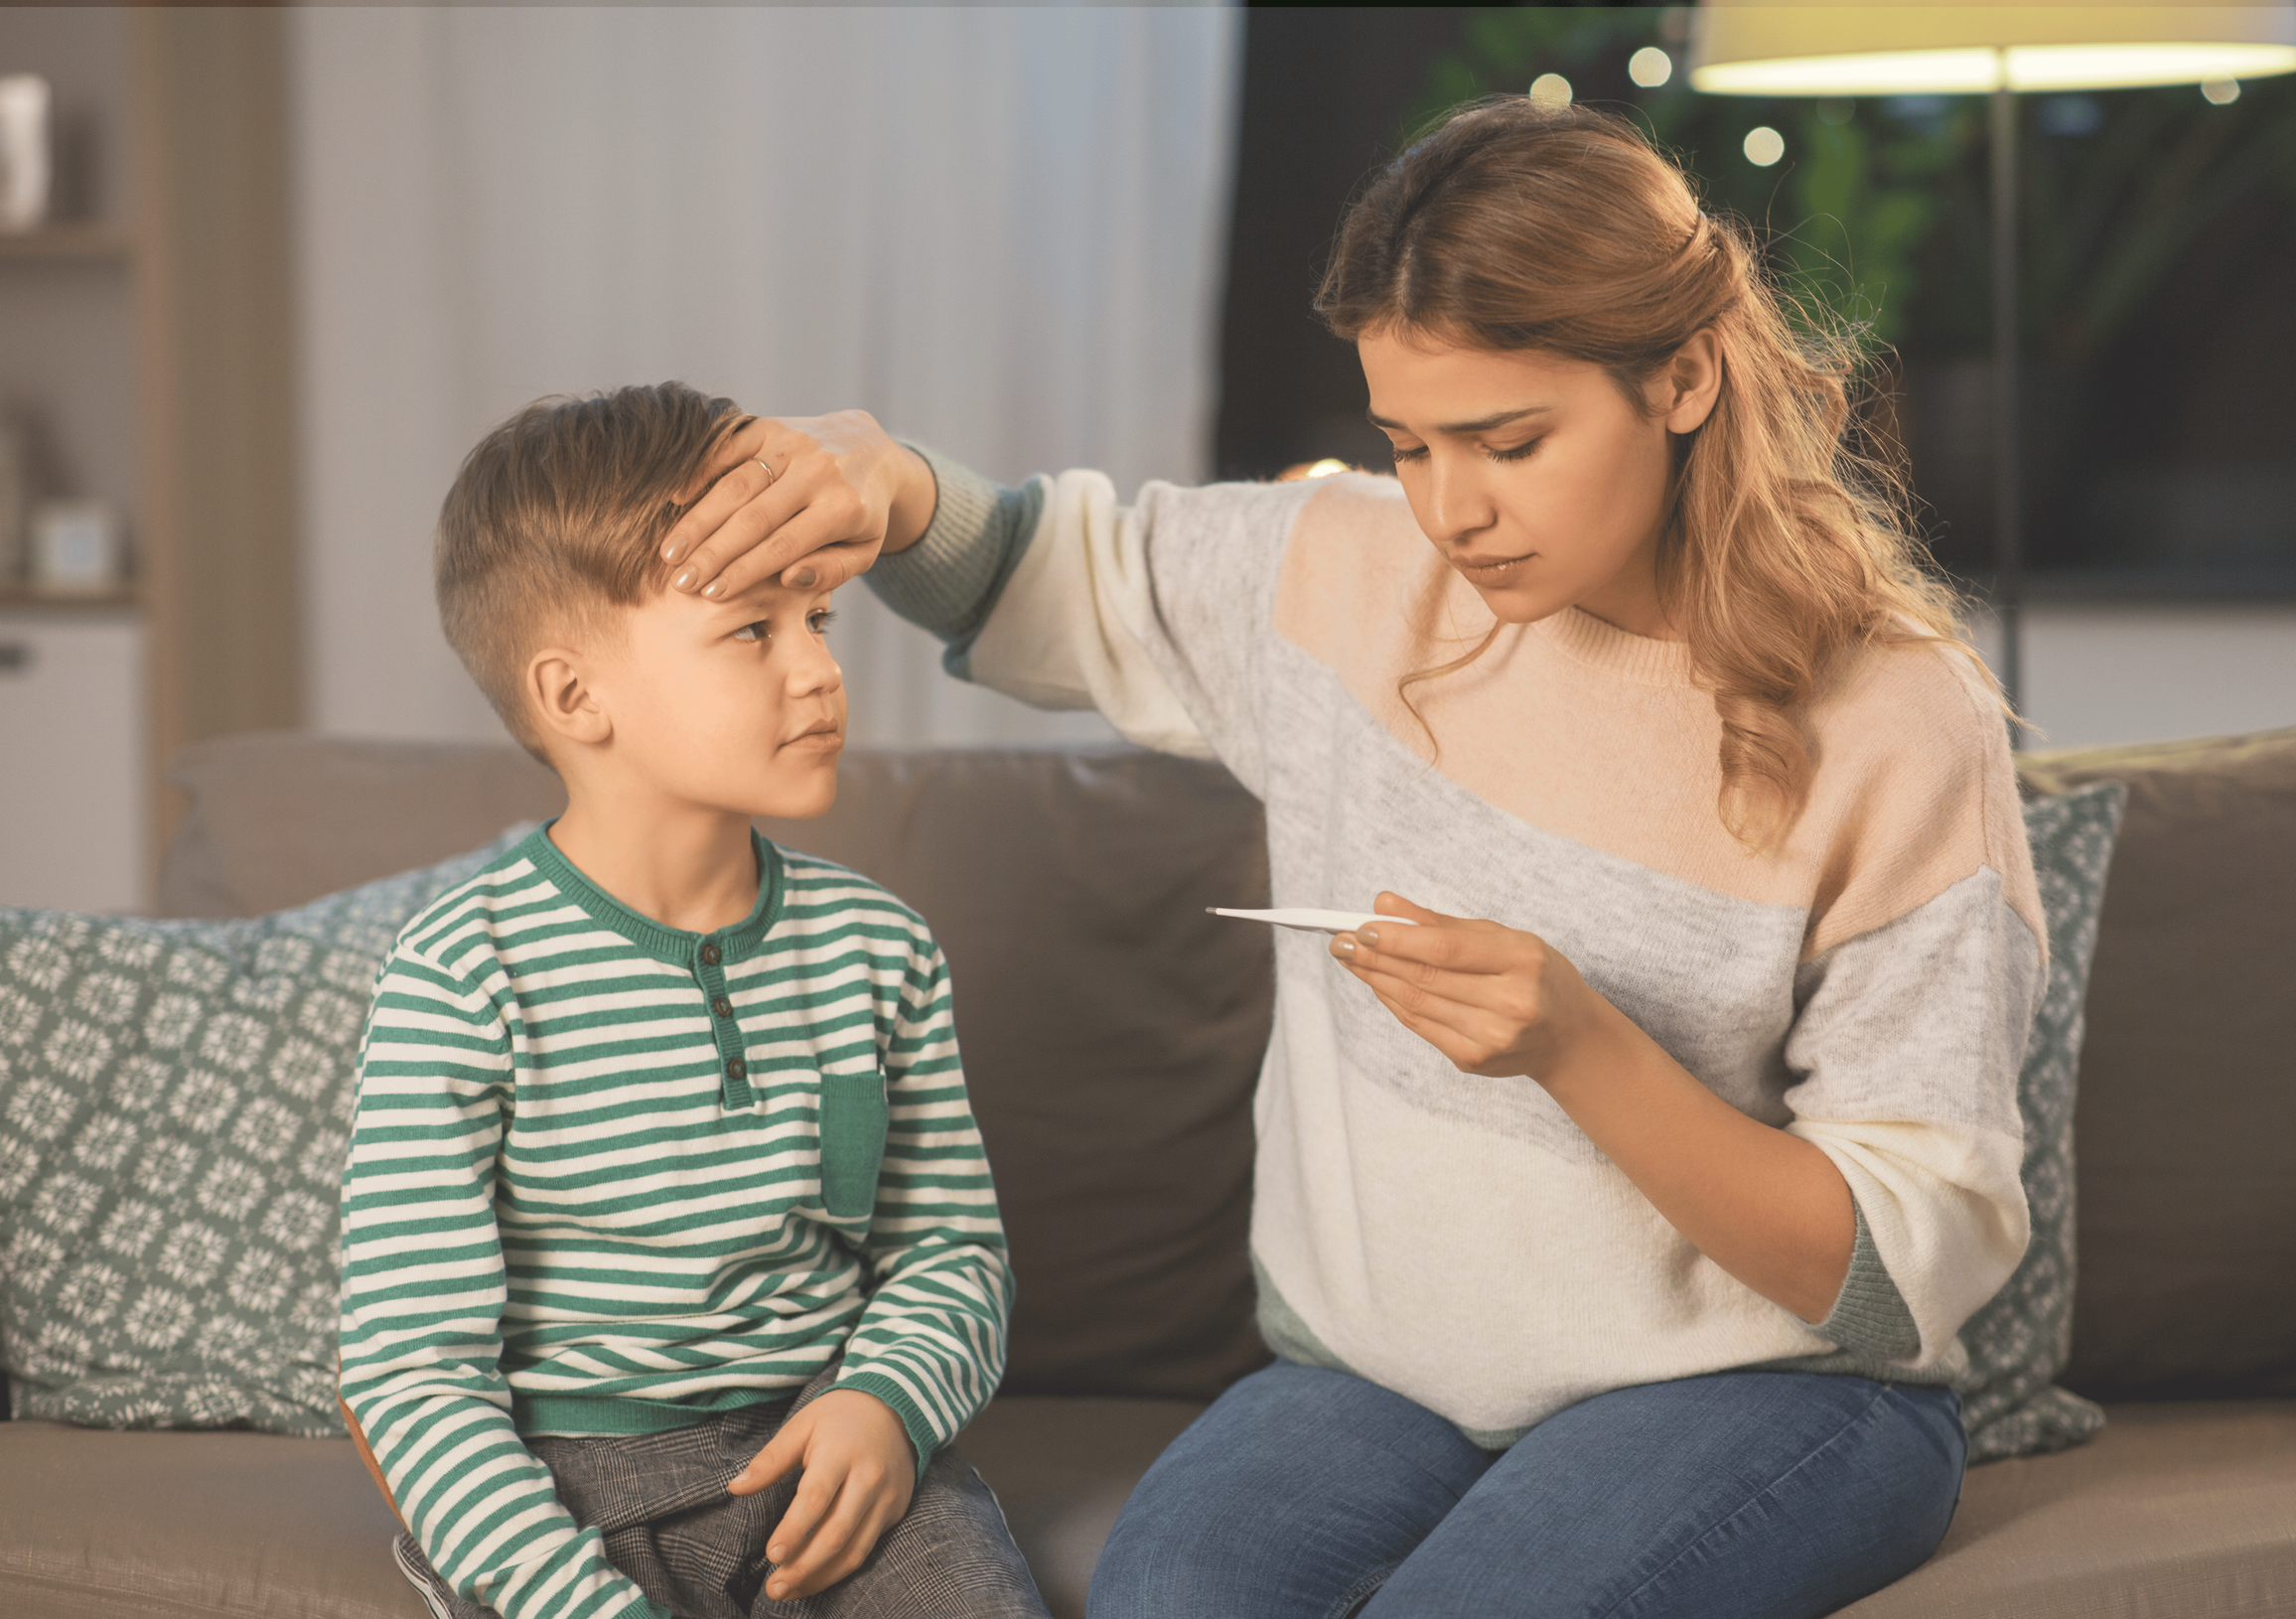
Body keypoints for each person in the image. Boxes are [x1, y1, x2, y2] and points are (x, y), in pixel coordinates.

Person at [658, 98, 2041, 1618]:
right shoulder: (1352, 574)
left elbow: (1906, 1263)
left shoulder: (1899, 720)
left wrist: (1584, 1047)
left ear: (1687, 376)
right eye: (1408, 444)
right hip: (1381, 1380)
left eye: (1510, 441)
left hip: (1783, 1393)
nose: (1453, 510)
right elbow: (1055, 575)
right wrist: (892, 485)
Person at [337, 383, 1047, 1619]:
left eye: (817, 618)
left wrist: (884, 1402)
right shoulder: (465, 972)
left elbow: (950, 1254)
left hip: (825, 1457)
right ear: (573, 697)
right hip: (559, 1494)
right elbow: (410, 1372)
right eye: (752, 633)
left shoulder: (880, 949)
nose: (822, 672)